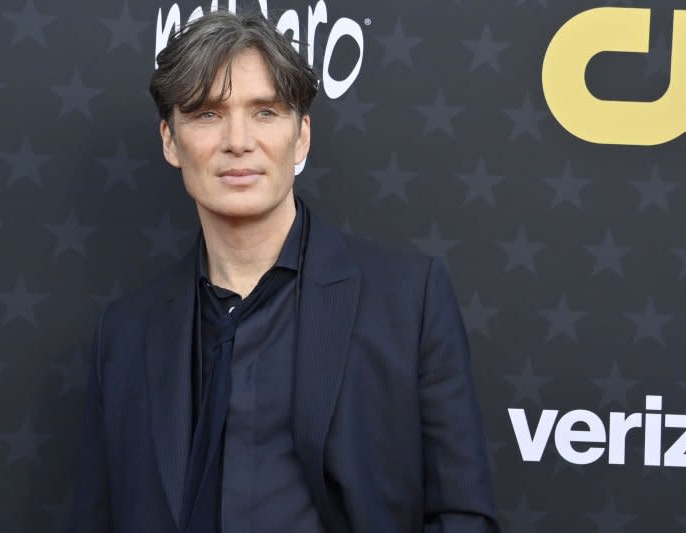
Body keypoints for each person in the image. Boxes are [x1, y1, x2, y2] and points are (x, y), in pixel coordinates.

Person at [73, 9, 498, 533]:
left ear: (301, 138)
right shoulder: (123, 335)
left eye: (265, 112)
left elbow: (462, 515)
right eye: (207, 113)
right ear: (169, 139)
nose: (238, 140)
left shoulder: (409, 302)